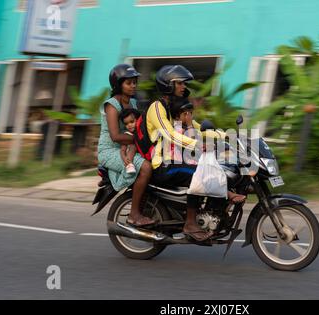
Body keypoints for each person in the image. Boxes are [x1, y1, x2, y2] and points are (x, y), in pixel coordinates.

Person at [144, 65, 245, 241]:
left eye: (184, 84)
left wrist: (228, 137)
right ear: (168, 84)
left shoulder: (175, 107)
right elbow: (170, 134)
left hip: (177, 159)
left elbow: (198, 129)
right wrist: (198, 144)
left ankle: (213, 212)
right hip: (163, 164)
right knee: (201, 174)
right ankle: (190, 223)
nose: (184, 87)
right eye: (180, 83)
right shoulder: (157, 107)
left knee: (215, 168)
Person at [98, 64, 155, 227]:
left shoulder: (134, 104)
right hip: (110, 150)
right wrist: (142, 139)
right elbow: (115, 136)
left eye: (134, 82)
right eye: (128, 83)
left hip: (131, 146)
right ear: (118, 84)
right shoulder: (111, 105)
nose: (133, 86)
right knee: (146, 167)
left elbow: (140, 126)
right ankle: (134, 215)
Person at [119, 108, 141, 173]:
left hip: (141, 154)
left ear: (138, 120)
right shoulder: (127, 135)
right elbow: (122, 150)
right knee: (133, 145)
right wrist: (124, 158)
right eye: (126, 124)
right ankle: (129, 165)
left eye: (132, 122)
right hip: (130, 155)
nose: (129, 125)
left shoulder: (142, 131)